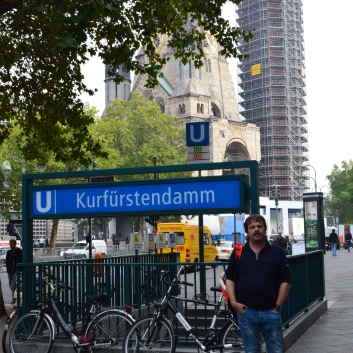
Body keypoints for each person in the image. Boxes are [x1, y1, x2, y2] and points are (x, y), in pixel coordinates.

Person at [226, 214, 291, 353]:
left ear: (265, 229)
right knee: (252, 350)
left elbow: (286, 280)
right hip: (246, 312)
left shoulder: (277, 252)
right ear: (247, 231)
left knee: (276, 350)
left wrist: (277, 307)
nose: (256, 229)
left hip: (271, 312)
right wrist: (234, 303)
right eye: (252, 227)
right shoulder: (238, 252)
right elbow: (230, 278)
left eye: (259, 226)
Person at [6, 239, 22, 304]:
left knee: (13, 285)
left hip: (16, 270)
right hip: (10, 270)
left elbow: (20, 259)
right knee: (11, 285)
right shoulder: (8, 252)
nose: (10, 246)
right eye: (10, 244)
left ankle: (13, 298)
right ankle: (15, 295)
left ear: (15, 244)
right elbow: (7, 261)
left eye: (11, 244)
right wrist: (8, 269)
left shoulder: (19, 251)